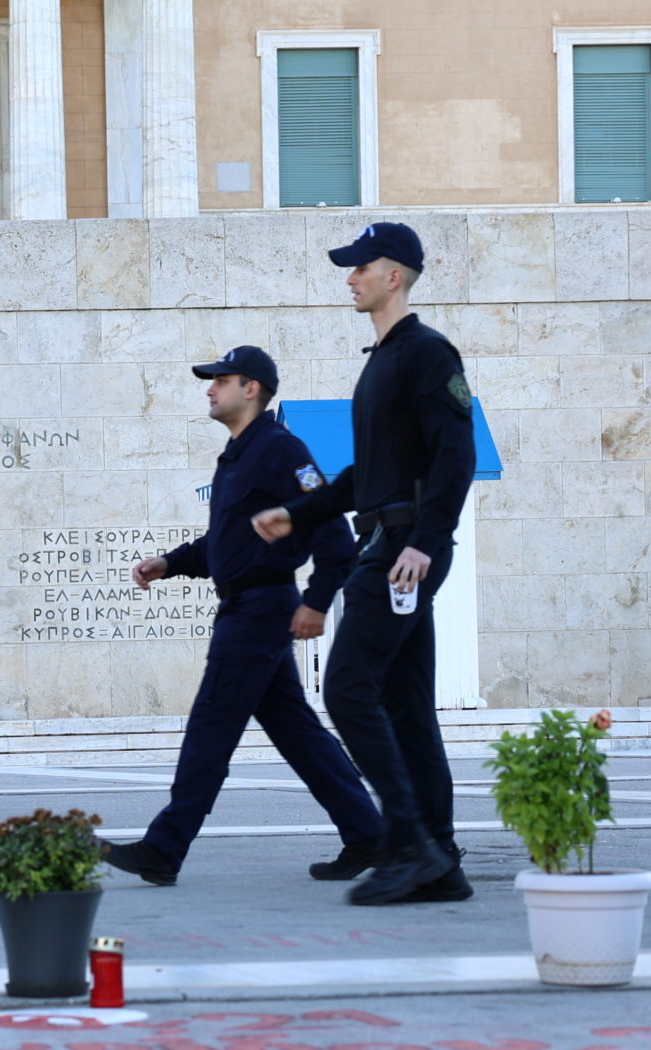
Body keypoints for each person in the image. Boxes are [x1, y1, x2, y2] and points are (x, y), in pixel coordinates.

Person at [252, 222, 479, 906]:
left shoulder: (426, 353)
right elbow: (369, 474)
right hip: (386, 538)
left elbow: (456, 455)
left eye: (361, 266)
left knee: (348, 687)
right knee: (407, 707)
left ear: (396, 275)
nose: (349, 277)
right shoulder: (380, 360)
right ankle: (439, 858)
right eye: (348, 267)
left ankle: (407, 842)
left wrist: (425, 541)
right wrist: (301, 511)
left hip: (403, 550)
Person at [101, 346, 385, 887]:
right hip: (247, 604)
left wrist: (318, 601)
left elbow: (333, 533)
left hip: (260, 611)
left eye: (220, 380)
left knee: (211, 725)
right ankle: (368, 833)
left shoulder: (281, 451)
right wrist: (171, 563)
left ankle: (164, 848)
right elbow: (225, 543)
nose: (209, 389)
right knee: (298, 732)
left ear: (251, 388)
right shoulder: (238, 456)